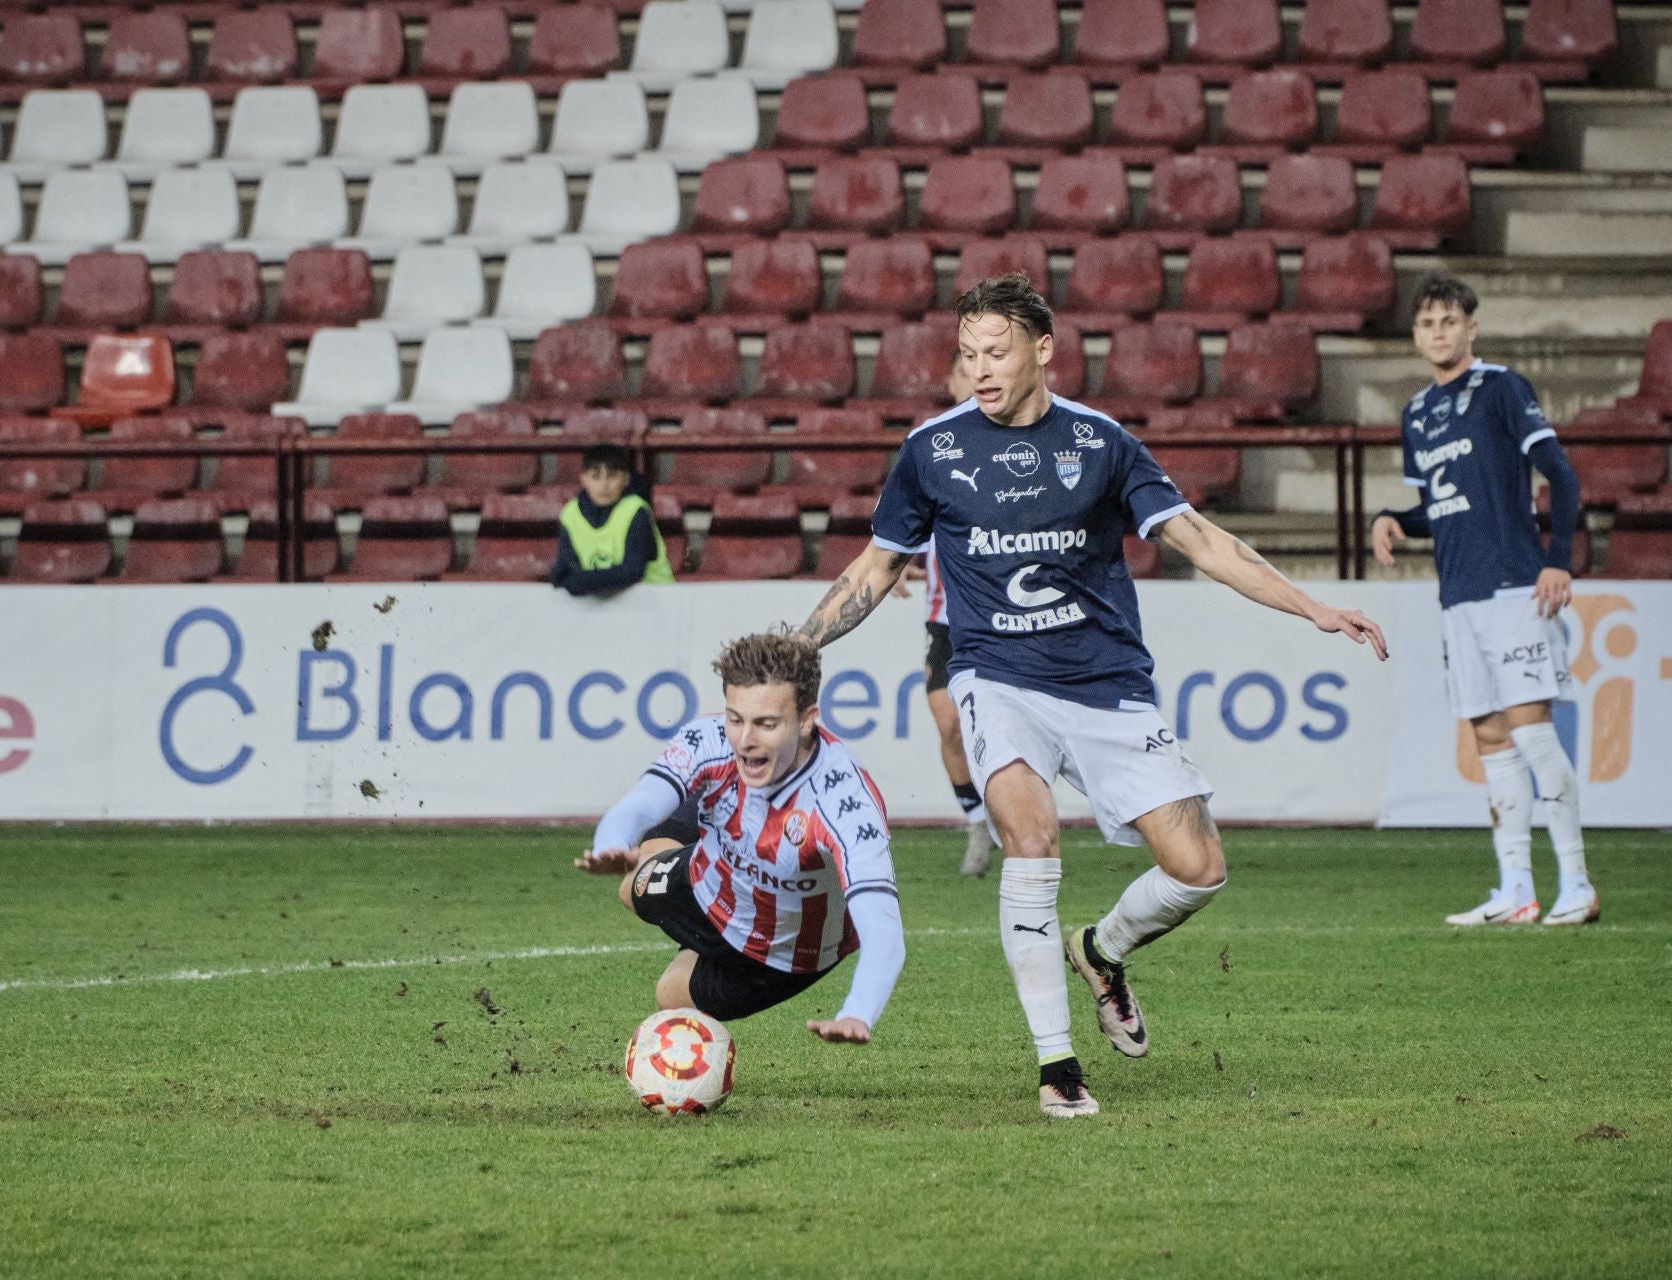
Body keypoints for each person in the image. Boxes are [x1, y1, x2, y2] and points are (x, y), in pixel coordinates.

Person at [796, 273, 1388, 1118]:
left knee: (1199, 869)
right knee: (1028, 835)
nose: (980, 369)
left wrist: (1314, 607)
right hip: (995, 676)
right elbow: (875, 567)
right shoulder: (933, 449)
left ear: (1044, 349)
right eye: (966, 355)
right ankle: (1057, 1064)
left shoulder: (1103, 443)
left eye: (995, 352)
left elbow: (1202, 541)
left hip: (1109, 684)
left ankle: (1102, 951)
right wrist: (797, 644)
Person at [1371, 274, 1596, 927]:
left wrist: (1557, 561)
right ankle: (1516, 890)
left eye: (1449, 321)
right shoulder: (1416, 414)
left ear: (1472, 327)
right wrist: (1394, 518)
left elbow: (1562, 473)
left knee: (1531, 733)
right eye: (1427, 324)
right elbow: (1441, 505)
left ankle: (1577, 883)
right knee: (1491, 740)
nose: (1438, 332)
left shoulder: (1501, 388)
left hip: (1511, 587)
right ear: (1415, 336)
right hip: (1459, 596)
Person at [575, 631, 904, 1044]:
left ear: (807, 719)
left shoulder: (845, 802)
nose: (745, 741)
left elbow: (883, 930)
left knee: (669, 996)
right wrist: (612, 840)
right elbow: (643, 801)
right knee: (630, 888)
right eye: (736, 718)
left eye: (766, 724)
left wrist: (859, 1010)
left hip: (786, 952)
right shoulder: (711, 739)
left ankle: (696, 941)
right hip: (712, 883)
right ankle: (668, 878)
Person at [922, 351, 999, 878]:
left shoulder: (1014, 446)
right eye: (963, 370)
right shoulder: (928, 448)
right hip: (946, 615)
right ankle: (978, 822)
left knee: (1005, 726)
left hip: (1000, 612)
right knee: (949, 724)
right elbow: (908, 516)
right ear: (950, 381)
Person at [552, 443, 672, 597]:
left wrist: (583, 581)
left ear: (626, 479)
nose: (604, 485)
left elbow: (633, 570)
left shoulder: (635, 510)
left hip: (655, 601)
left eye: (613, 476)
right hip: (603, 607)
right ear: (583, 479)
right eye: (595, 477)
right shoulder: (570, 513)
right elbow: (565, 566)